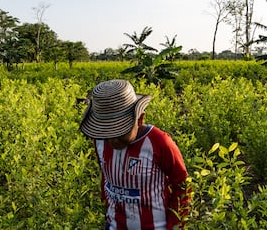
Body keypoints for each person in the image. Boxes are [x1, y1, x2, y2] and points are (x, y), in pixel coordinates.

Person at [80, 79, 191, 230]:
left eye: (120, 131)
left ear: (140, 119)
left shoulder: (160, 143)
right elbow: (105, 177)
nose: (113, 140)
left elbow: (182, 185)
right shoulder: (99, 141)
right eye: (107, 132)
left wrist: (175, 226)